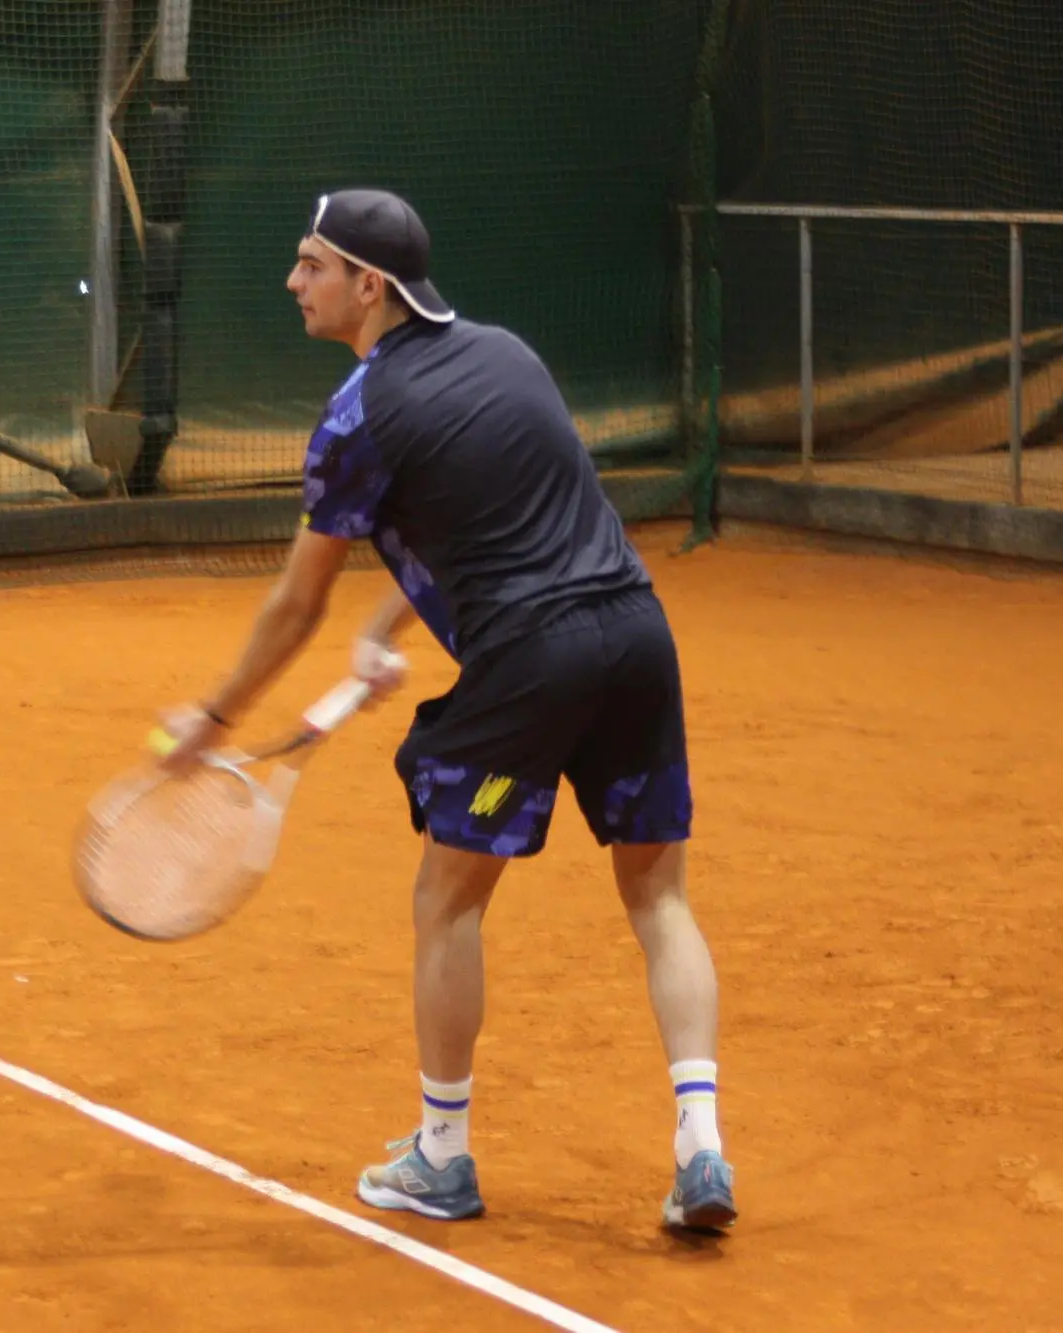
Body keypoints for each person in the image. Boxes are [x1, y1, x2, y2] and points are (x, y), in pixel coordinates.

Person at [155, 188, 735, 1232]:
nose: (293, 283)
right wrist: (393, 628)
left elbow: (295, 602)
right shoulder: (508, 354)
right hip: (636, 633)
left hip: (529, 664)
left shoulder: (354, 419)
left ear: (366, 286)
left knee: (448, 902)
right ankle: (703, 1143)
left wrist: (216, 715)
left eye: (309, 264)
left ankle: (442, 1154)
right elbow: (517, 520)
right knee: (659, 899)